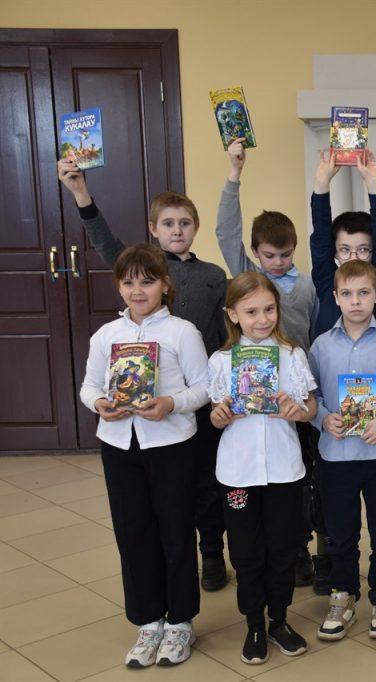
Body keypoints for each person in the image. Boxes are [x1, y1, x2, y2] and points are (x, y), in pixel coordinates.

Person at [58, 159, 230, 592]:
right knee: (164, 499)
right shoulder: (142, 268)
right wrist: (81, 194)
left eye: (185, 223)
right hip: (144, 409)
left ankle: (211, 552)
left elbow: (226, 331)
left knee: (206, 481)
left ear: (195, 228)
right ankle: (173, 565)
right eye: (168, 223)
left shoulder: (213, 276)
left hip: (197, 395)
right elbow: (103, 240)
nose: (177, 230)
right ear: (153, 229)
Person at [79, 244, 209, 667]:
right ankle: (148, 620)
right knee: (132, 532)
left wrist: (171, 403)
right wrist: (99, 403)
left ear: (165, 285)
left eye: (147, 281)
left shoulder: (182, 332)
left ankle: (180, 622)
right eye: (129, 282)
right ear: (119, 286)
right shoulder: (106, 336)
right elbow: (89, 386)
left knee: (175, 531)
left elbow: (204, 387)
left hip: (171, 446)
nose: (138, 290)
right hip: (120, 446)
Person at [215, 138, 321, 585]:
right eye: (269, 255)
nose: (277, 263)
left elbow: (313, 333)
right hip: (252, 400)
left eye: (285, 254)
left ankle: (299, 548)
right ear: (256, 254)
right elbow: (225, 231)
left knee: (302, 476)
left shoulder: (308, 286)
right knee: (262, 476)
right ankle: (262, 550)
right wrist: (234, 173)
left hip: (297, 393)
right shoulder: (250, 279)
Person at [309, 148, 376, 596]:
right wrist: (321, 185)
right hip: (330, 423)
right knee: (333, 503)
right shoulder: (326, 285)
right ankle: (333, 567)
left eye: (363, 250)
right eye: (346, 250)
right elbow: (318, 239)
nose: (356, 257)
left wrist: (374, 185)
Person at [208, 272, 317, 664]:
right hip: (237, 473)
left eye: (269, 309)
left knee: (283, 548)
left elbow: (310, 407)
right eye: (251, 311)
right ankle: (254, 623)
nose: (262, 319)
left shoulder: (291, 355)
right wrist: (220, 416)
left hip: (284, 471)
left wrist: (298, 411)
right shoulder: (221, 361)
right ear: (233, 315)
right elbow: (215, 415)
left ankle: (279, 620)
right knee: (245, 551)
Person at [309, 260, 376, 643]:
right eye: (347, 293)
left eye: (363, 293)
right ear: (336, 298)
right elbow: (311, 396)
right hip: (336, 456)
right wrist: (323, 418)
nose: (355, 301)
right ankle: (342, 594)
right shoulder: (321, 346)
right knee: (340, 534)